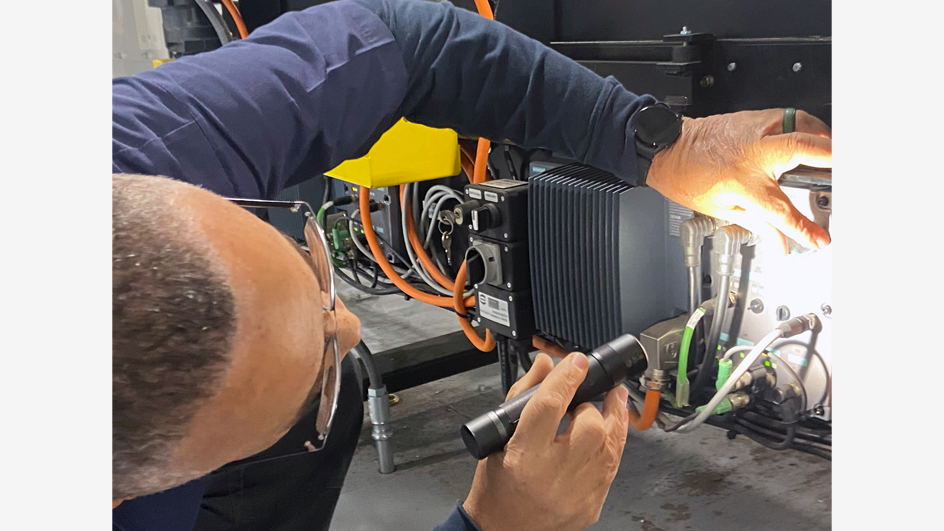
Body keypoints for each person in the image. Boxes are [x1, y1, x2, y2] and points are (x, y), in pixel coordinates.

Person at [112, 0, 832, 529]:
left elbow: (403, 43)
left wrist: (663, 144)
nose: (352, 324)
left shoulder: (139, 142)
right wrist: (494, 524)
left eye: (314, 269)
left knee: (323, 413)